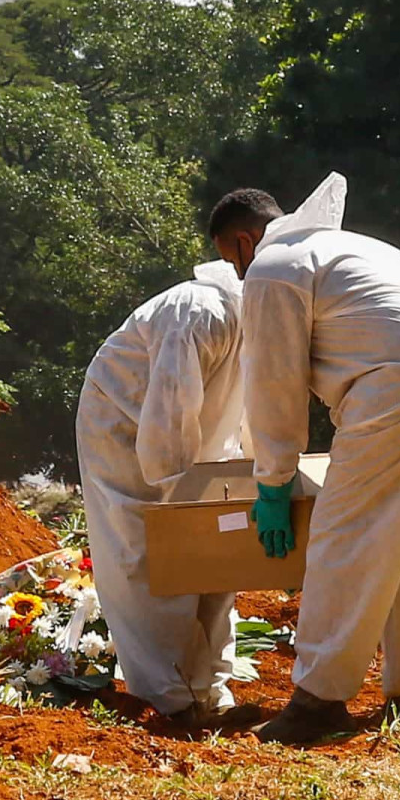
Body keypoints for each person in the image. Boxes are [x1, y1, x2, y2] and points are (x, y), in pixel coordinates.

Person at [213, 174, 400, 744]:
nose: (238, 274)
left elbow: (273, 385)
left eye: (233, 260)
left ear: (246, 242)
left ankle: (318, 702)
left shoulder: (272, 270)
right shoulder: (348, 247)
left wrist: (272, 482)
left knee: (345, 537)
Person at [77, 256, 254, 728]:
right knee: (145, 554)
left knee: (215, 557)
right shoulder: (199, 312)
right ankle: (169, 699)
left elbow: (259, 406)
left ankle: (211, 691)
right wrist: (179, 499)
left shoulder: (260, 317)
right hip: (123, 431)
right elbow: (170, 418)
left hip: (196, 448)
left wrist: (260, 483)